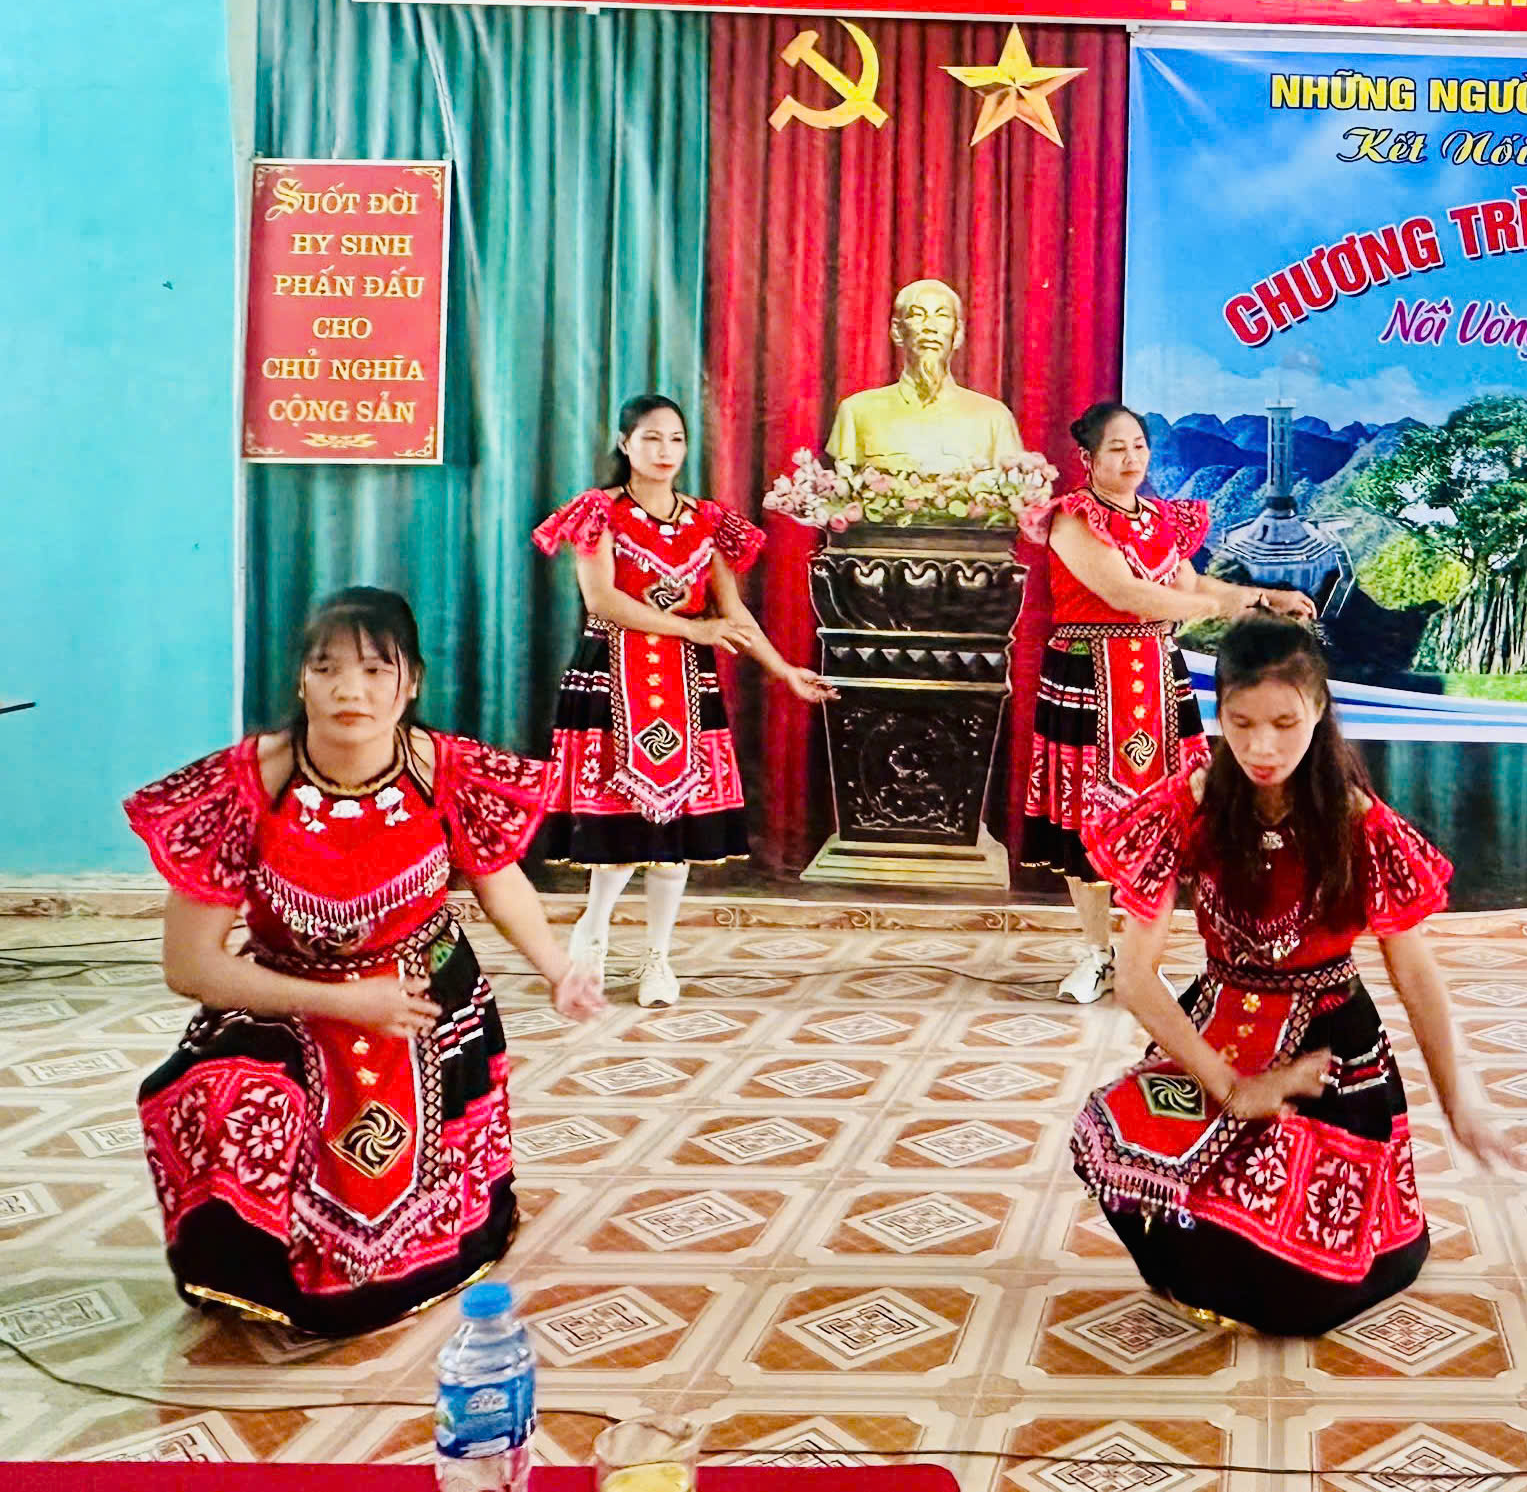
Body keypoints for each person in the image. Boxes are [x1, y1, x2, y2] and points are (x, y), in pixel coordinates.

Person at [121, 587, 607, 1337]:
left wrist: (558, 967)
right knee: (226, 1098)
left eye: (377, 670)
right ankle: (255, 1269)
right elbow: (189, 965)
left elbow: (497, 878)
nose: (352, 690)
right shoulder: (244, 787)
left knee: (407, 1207)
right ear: (300, 681)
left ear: (411, 683)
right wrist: (344, 1002)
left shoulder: (443, 769)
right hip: (285, 999)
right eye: (328, 668)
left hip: (423, 1005)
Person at [1066, 617, 1507, 1333]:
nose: (1261, 748)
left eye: (1283, 723)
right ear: (1219, 713)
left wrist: (1459, 1101)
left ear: (1319, 710)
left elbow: (1415, 975)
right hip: (1221, 1028)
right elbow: (1137, 978)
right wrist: (1232, 1086)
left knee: (1304, 1289)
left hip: (1329, 1049)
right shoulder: (1190, 807)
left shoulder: (1359, 824)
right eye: (1241, 724)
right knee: (1110, 1137)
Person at [534, 394, 834, 1007]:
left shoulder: (707, 521)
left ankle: (658, 958)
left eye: (675, 439)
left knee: (676, 834)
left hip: (686, 684)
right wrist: (693, 630)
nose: (664, 451)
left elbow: (732, 612)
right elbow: (603, 601)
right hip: (613, 674)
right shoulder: (599, 513)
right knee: (621, 826)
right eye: (650, 438)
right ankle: (594, 934)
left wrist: (783, 670)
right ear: (625, 445)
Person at [1020, 401, 1314, 1004]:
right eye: (1116, 448)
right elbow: (1126, 594)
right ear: (1088, 459)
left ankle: (1140, 959)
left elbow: (1191, 583)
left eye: (1139, 446)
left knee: (1162, 815)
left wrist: (1263, 597)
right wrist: (1218, 610)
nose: (1131, 458)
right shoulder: (1073, 518)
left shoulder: (1160, 519)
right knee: (1091, 818)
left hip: (1157, 674)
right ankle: (1097, 954)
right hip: (1088, 674)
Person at [824, 278, 1029, 470]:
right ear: (897, 331)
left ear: (958, 333)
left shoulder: (993, 418)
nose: (930, 327)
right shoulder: (857, 412)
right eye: (917, 315)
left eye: (942, 316)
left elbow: (1011, 491)